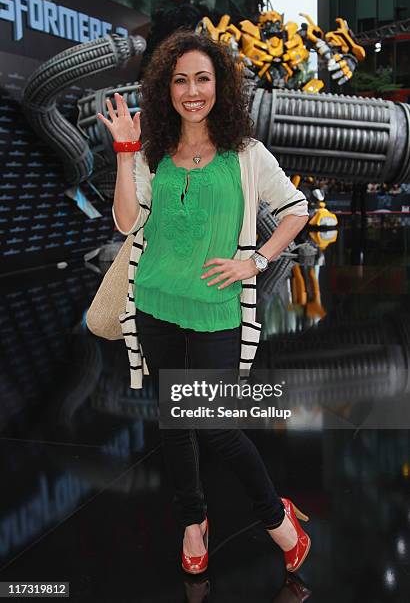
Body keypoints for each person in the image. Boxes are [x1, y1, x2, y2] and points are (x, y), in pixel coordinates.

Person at [97, 29, 311, 575]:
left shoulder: (246, 154)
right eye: (180, 80)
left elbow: (296, 208)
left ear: (220, 86)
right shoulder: (155, 152)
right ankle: (193, 520)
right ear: (166, 89)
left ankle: (274, 515)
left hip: (215, 310)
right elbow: (125, 222)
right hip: (154, 304)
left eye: (203, 79)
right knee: (175, 424)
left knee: (214, 424)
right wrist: (125, 152)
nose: (192, 91)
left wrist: (255, 262)